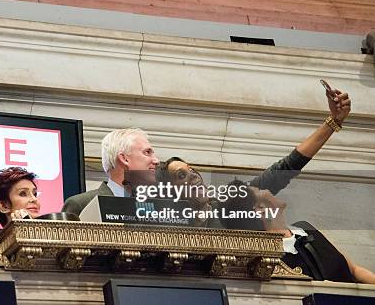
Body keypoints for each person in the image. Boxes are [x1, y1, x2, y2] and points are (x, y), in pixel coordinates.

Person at [156, 85, 352, 226]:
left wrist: (333, 122)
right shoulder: (171, 223)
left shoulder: (230, 202)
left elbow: (286, 168)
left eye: (191, 169)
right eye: (181, 175)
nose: (193, 175)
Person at [219, 180, 375, 284]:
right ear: (259, 209)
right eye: (260, 190)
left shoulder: (304, 229)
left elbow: (354, 269)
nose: (268, 190)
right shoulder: (269, 258)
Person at [62, 128, 160, 215]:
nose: (156, 161)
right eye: (147, 152)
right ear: (124, 158)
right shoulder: (81, 205)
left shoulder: (156, 208)